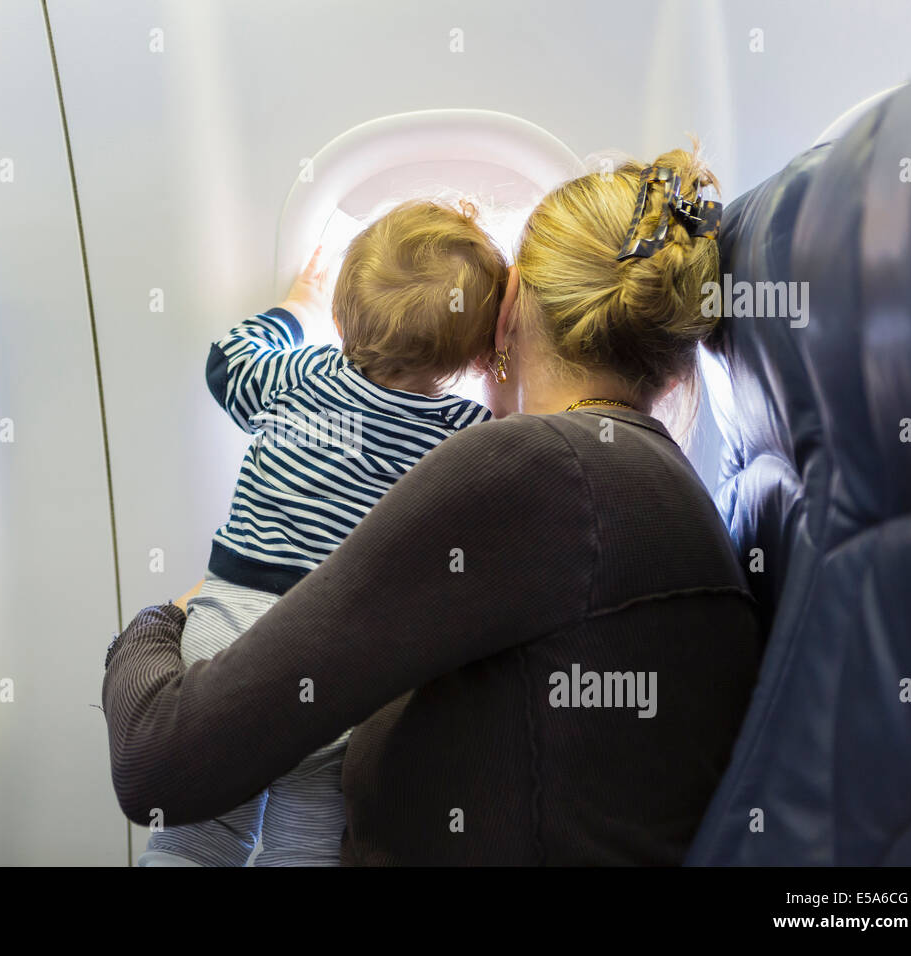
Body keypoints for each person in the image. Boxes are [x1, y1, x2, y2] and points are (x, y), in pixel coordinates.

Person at [103, 145, 761, 865]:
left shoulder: (528, 468)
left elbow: (157, 764)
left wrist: (165, 619)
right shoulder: (655, 486)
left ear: (510, 306)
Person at [141, 199, 508, 866]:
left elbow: (225, 361)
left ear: (341, 315)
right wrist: (493, 358)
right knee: (307, 840)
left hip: (222, 642)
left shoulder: (292, 375)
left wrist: (297, 308)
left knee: (199, 835)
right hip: (332, 664)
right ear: (475, 353)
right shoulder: (462, 432)